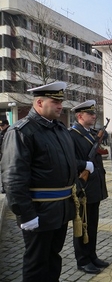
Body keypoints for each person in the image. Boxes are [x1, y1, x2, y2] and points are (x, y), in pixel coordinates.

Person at [1, 82, 77, 281]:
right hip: (38, 210)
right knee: (37, 262)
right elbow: (13, 177)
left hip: (60, 209)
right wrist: (25, 214)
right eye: (55, 101)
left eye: (61, 101)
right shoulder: (21, 131)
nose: (60, 106)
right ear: (40, 102)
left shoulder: (59, 130)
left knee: (53, 257)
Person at [69, 100, 109, 274]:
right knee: (82, 225)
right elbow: (69, 161)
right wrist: (83, 165)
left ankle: (92, 255)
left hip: (94, 186)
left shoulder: (90, 133)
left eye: (94, 113)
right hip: (83, 187)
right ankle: (82, 260)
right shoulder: (72, 135)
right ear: (79, 116)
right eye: (90, 114)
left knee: (92, 224)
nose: (94, 116)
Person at [0, 119, 10, 193]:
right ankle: (3, 187)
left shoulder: (10, 131)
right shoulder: (1, 133)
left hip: (9, 155)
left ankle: (7, 187)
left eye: (2, 125)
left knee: (8, 172)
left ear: (7, 124)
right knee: (3, 172)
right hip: (2, 155)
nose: (1, 127)